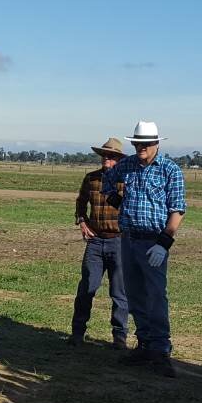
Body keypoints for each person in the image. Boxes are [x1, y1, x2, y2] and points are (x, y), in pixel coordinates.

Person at [102, 121, 187, 378]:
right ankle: (145, 344)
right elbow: (107, 180)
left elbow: (178, 209)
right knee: (134, 293)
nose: (141, 148)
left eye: (146, 144)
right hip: (128, 239)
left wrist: (165, 242)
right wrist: (113, 197)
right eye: (138, 143)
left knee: (156, 296)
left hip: (154, 241)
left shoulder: (170, 170)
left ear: (156, 144)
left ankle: (161, 350)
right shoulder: (126, 165)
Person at [71, 137, 129, 349]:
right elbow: (81, 202)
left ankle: (119, 337)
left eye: (112, 156)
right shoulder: (91, 179)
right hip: (95, 242)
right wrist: (82, 221)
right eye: (105, 155)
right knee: (87, 287)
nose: (107, 158)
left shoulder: (127, 180)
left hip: (120, 242)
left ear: (119, 159)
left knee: (120, 293)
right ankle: (77, 332)